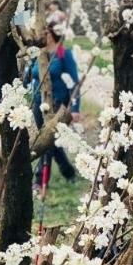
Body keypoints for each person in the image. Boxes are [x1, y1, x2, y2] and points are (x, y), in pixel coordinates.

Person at [25, 14, 81, 194]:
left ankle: (40, 180)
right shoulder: (38, 53)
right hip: (38, 102)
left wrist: (75, 108)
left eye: (46, 33)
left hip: (57, 103)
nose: (43, 36)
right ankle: (69, 172)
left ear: (53, 34)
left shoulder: (63, 53)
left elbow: (75, 82)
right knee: (48, 140)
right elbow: (28, 76)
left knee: (48, 141)